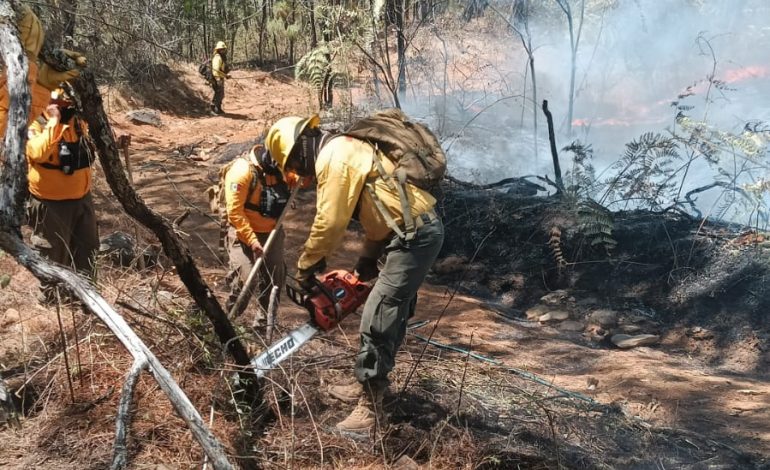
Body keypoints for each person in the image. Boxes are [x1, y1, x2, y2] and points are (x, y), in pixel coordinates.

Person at [291, 119, 445, 433]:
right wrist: (367, 260)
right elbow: (383, 207)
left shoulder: (336, 153)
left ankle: (370, 409)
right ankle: (366, 383)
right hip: (404, 233)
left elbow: (330, 221)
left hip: (415, 235)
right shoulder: (348, 148)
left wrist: (306, 267)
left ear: (300, 150)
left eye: (294, 164)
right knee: (390, 310)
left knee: (380, 312)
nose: (300, 172)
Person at [224, 116, 319, 326]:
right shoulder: (242, 172)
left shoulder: (281, 169)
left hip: (272, 233)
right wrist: (252, 241)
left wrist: (308, 171)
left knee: (275, 280)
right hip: (243, 234)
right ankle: (226, 322)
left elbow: (300, 182)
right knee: (245, 281)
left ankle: (263, 325)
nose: (288, 168)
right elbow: (234, 213)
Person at [26, 88, 99, 284]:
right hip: (51, 204)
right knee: (52, 257)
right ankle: (52, 299)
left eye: (69, 102)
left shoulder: (77, 120)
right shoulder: (35, 120)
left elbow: (92, 143)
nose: (67, 106)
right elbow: (37, 152)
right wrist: (54, 121)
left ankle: (87, 296)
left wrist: (114, 139)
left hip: (83, 199)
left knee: (88, 252)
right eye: (62, 102)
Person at [210, 41, 231, 115]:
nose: (224, 50)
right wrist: (218, 79)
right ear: (219, 50)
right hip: (216, 78)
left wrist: (226, 76)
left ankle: (218, 108)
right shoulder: (217, 57)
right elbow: (215, 70)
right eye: (222, 49)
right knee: (218, 93)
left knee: (221, 94)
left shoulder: (221, 57)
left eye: (224, 49)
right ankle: (212, 109)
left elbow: (221, 70)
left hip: (220, 78)